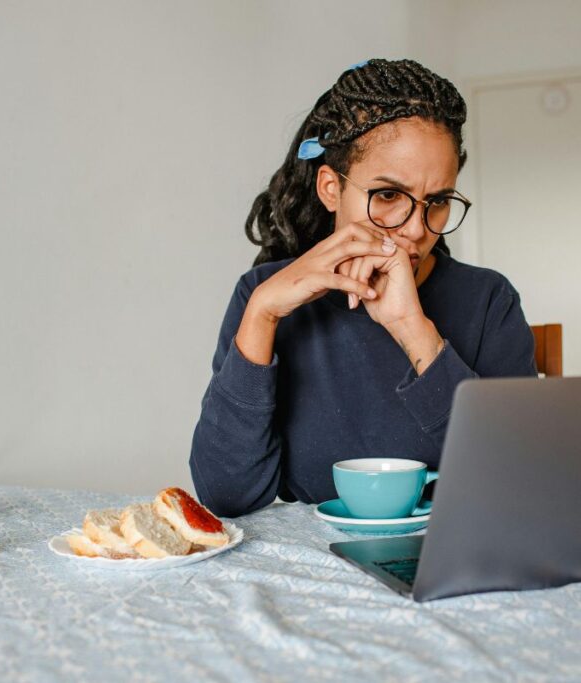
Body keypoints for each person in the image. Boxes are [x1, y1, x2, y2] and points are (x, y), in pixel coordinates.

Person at [190, 58, 536, 518]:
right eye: (389, 196)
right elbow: (226, 496)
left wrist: (412, 328)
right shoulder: (263, 295)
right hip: (314, 568)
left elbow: (518, 482)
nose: (415, 229)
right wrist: (262, 315)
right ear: (331, 188)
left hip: (447, 563)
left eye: (437, 202)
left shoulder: (489, 301)